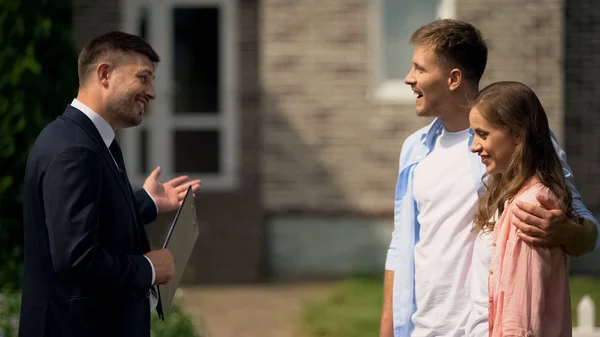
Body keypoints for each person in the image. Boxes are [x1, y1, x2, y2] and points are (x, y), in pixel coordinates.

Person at [379, 19, 599, 337]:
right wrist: (389, 330)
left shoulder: (514, 145)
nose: (408, 79)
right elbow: (400, 247)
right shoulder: (414, 150)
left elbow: (587, 233)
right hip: (421, 330)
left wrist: (564, 230)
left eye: (419, 69)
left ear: (453, 78)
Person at [19, 31, 201, 337]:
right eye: (143, 78)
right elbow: (77, 258)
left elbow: (87, 218)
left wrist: (146, 202)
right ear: (105, 73)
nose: (152, 92)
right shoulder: (75, 149)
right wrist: (149, 269)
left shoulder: (90, 140)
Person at [467, 81, 572, 336]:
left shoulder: (530, 208)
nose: (473, 146)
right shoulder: (508, 194)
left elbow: (521, 319)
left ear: (517, 135)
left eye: (483, 134)